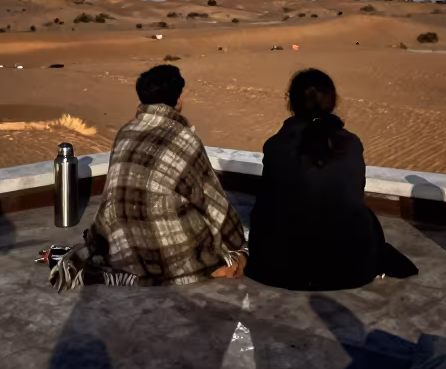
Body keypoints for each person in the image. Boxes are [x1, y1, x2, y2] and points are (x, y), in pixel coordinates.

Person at [51, 64, 247, 289]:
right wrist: (238, 247)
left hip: (121, 241)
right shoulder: (183, 138)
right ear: (178, 98)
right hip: (167, 249)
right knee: (216, 242)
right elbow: (211, 201)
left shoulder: (125, 131)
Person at [245, 68, 417, 290]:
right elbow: (355, 194)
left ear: (291, 102)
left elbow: (270, 198)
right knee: (364, 217)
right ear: (334, 101)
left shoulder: (276, 145)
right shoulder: (351, 144)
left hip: (280, 268)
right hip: (349, 268)